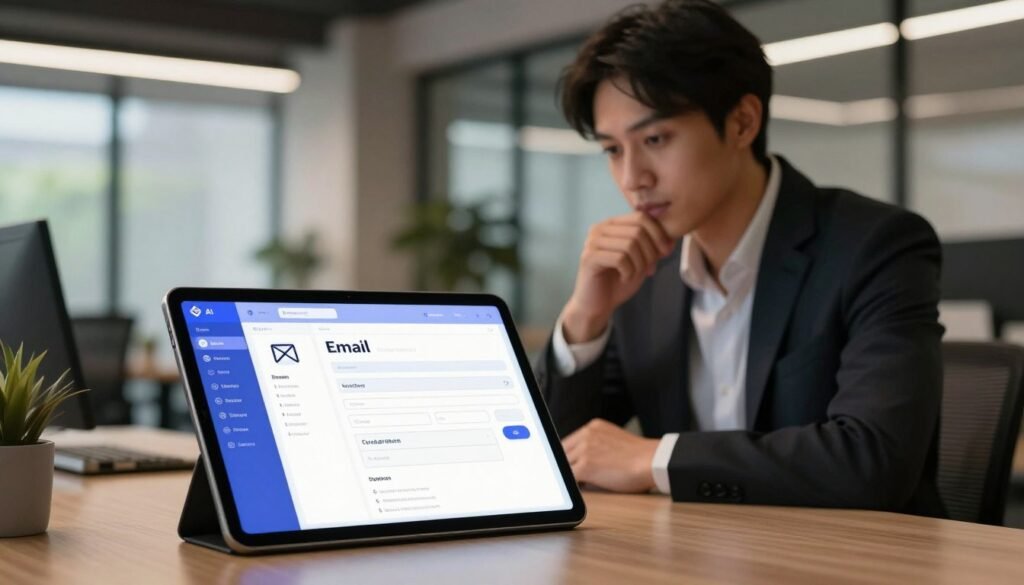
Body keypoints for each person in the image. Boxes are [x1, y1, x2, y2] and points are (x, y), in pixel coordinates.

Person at [534, 0, 945, 516]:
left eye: (655, 139)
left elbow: (873, 460)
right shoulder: (645, 272)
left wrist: (656, 458)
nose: (632, 178)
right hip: (693, 558)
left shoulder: (874, 246)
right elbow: (551, 462)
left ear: (742, 123)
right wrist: (585, 319)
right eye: (613, 150)